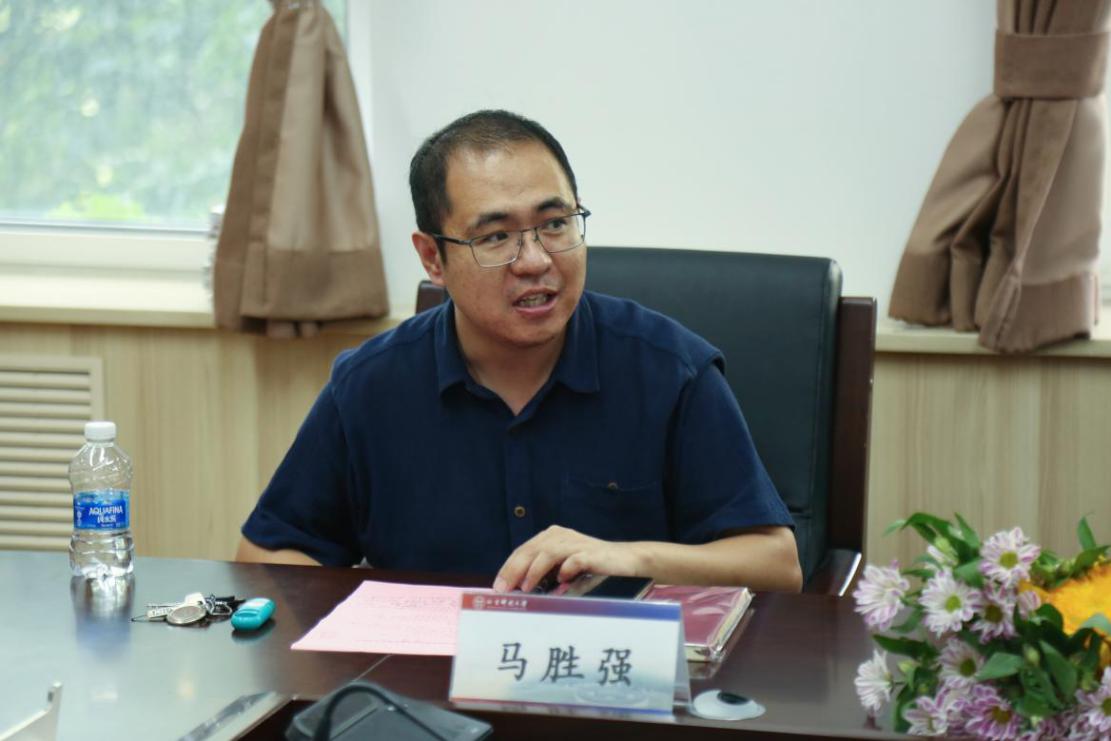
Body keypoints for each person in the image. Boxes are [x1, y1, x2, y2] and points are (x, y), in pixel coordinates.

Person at [237, 110, 802, 592]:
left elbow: (777, 565)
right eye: (495, 237)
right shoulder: (370, 385)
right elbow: (268, 554)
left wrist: (631, 557)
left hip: (618, 676)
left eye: (555, 224)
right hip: (428, 680)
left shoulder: (671, 371)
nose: (535, 260)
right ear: (432, 258)